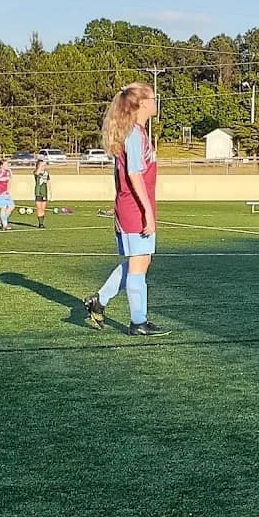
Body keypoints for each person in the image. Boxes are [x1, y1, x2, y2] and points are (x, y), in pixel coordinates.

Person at [83, 83, 170, 336]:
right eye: (152, 97)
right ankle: (138, 322)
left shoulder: (137, 132)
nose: (155, 101)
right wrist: (147, 212)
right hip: (134, 209)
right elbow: (133, 174)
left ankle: (99, 300)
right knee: (138, 266)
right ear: (142, 103)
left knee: (139, 261)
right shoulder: (133, 134)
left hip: (131, 206)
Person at [33, 158, 50, 228]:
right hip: (38, 192)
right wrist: (39, 166)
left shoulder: (46, 173)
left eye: (44, 165)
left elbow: (48, 182)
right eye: (42, 165)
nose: (43, 166)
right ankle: (40, 224)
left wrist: (50, 192)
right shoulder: (36, 172)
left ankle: (42, 223)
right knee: (39, 208)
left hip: (44, 192)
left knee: (43, 208)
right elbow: (37, 173)